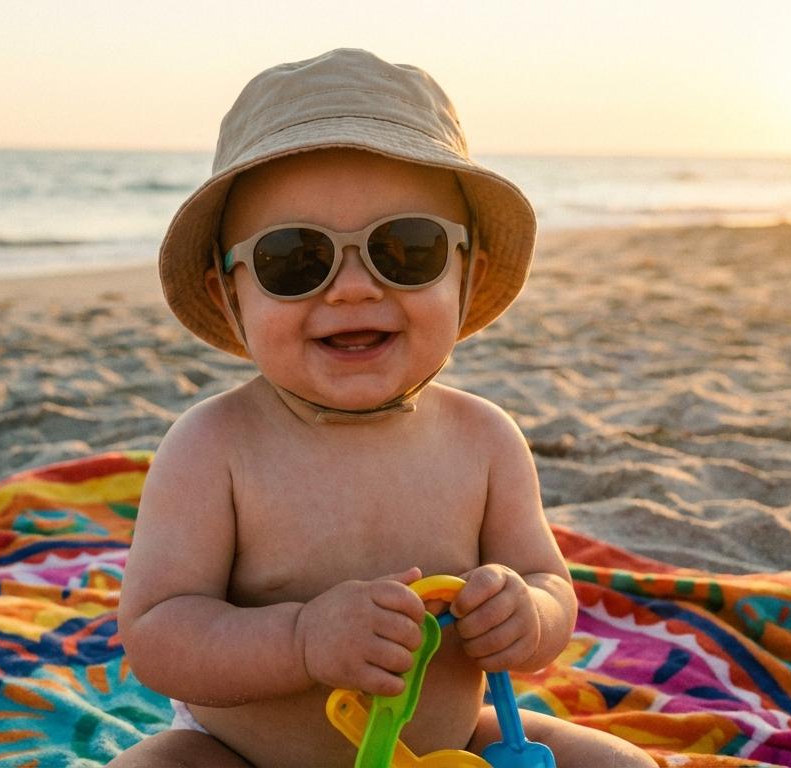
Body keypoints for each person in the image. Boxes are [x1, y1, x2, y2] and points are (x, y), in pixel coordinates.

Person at [115, 49, 655, 768]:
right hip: (242, 756)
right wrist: (302, 640)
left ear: (470, 276)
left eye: (407, 249)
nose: (352, 288)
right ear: (228, 294)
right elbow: (158, 633)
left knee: (620, 765)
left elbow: (550, 582)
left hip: (448, 748)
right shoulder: (214, 446)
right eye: (294, 259)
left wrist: (527, 614)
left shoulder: (484, 439)